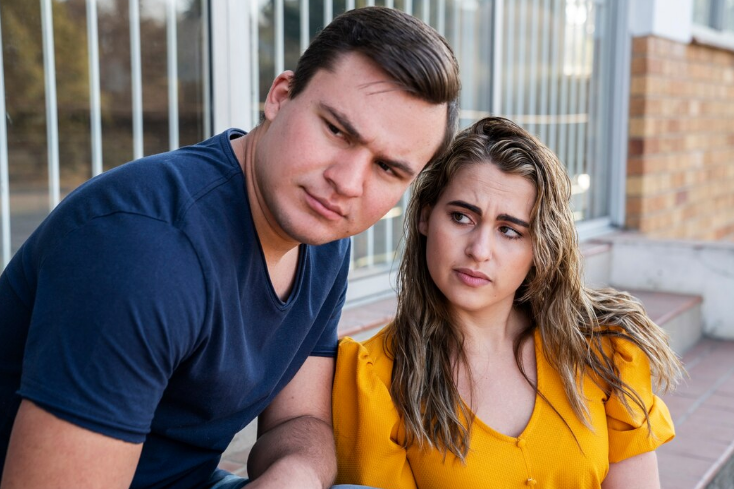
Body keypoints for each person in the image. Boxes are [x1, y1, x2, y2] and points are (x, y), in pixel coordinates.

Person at [0, 7, 459, 489]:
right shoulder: (145, 248)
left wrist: (293, 477)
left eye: (387, 168)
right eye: (337, 130)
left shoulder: (322, 235)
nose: (346, 182)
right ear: (280, 96)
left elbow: (300, 421)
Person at [332, 117, 684, 489]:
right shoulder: (375, 380)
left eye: (509, 230)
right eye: (461, 217)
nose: (479, 250)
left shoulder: (602, 349)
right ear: (424, 217)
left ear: (540, 246)